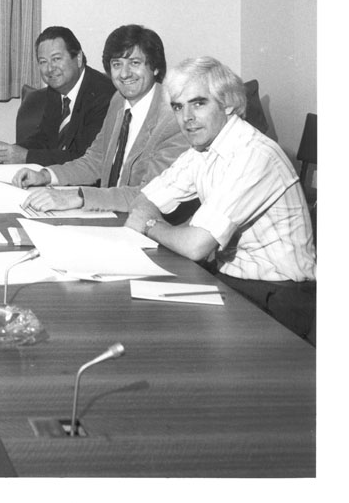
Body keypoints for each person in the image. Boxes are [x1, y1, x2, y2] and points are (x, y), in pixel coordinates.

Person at [125, 57, 316, 339]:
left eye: (198, 103)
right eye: (178, 106)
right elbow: (144, 200)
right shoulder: (203, 148)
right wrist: (146, 219)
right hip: (232, 282)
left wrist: (152, 225)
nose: (186, 117)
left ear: (227, 104)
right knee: (142, 320)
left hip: (279, 299)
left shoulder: (254, 153)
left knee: (162, 337)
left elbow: (195, 245)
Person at [13, 24, 189, 213]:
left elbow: (151, 194)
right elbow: (95, 160)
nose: (124, 73)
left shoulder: (174, 118)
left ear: (154, 67)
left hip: (148, 224)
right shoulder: (118, 101)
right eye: (117, 64)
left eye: (135, 63)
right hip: (110, 215)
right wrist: (45, 176)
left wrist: (79, 196)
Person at [0, 26, 115, 166]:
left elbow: (84, 158)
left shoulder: (103, 95)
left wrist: (26, 157)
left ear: (78, 58)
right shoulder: (56, 88)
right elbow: (45, 138)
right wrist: (12, 150)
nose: (50, 69)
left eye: (56, 59)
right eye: (43, 62)